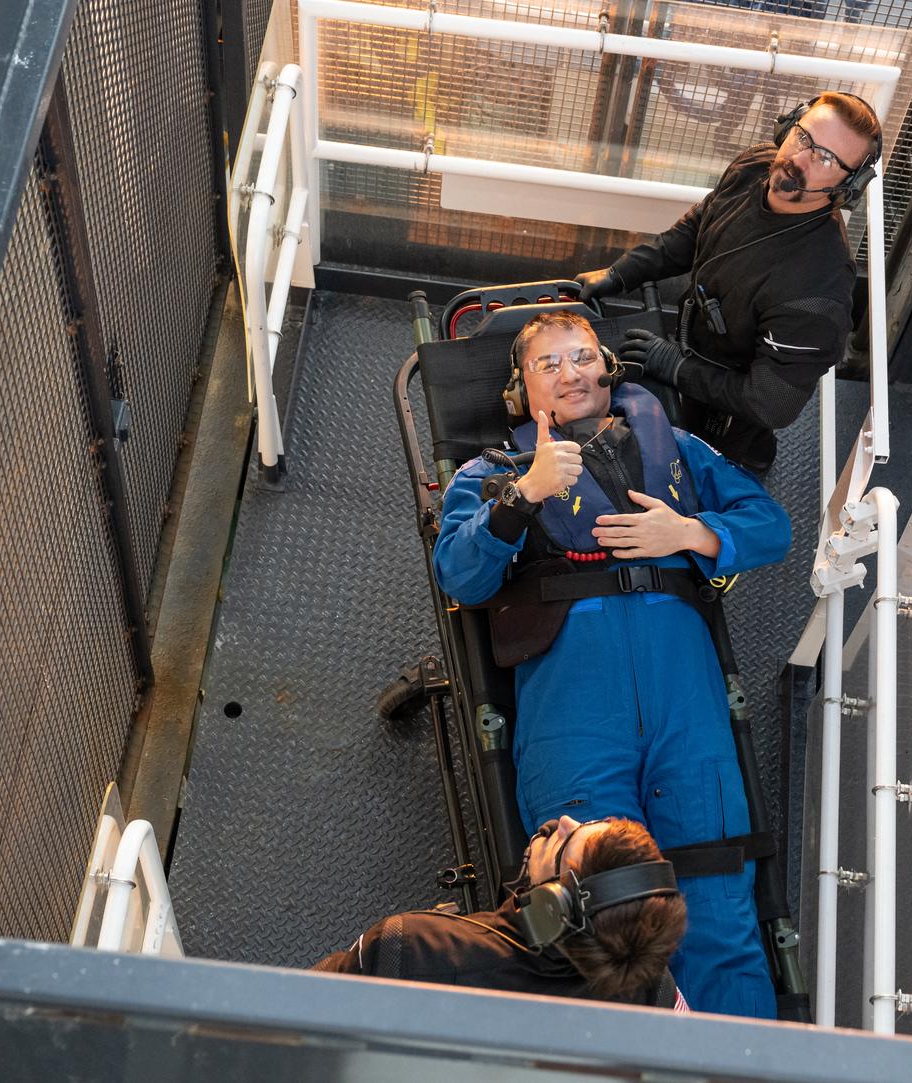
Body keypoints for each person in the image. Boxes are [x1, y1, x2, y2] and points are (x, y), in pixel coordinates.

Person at [432, 310, 791, 1018]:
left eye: (582, 357)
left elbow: (769, 525)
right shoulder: (492, 471)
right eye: (549, 364)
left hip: (682, 693)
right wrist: (525, 495)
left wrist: (687, 530)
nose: (570, 373)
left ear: (606, 369)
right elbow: (460, 574)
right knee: (584, 904)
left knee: (718, 896)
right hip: (574, 698)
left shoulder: (680, 450)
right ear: (521, 388)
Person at [575, 92, 882, 473]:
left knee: (709, 469)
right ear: (787, 126)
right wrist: (623, 273)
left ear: (846, 186)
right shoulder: (755, 166)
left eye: (825, 158)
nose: (799, 159)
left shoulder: (817, 291)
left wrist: (674, 367)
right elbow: (698, 226)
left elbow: (770, 402)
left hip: (731, 414)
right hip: (690, 349)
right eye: (804, 137)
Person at [312, 815, 690, 1010]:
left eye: (566, 845)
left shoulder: (407, 945)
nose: (564, 823)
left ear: (550, 907)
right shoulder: (658, 996)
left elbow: (302, 1008)